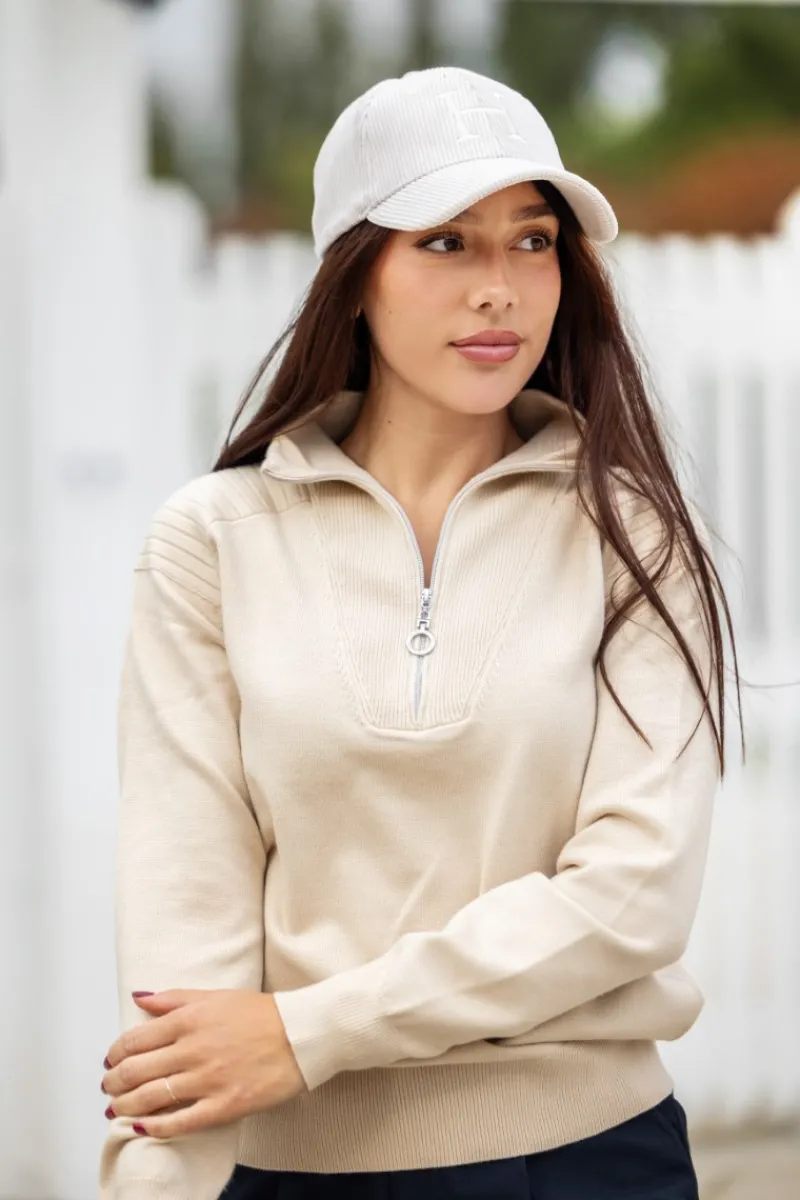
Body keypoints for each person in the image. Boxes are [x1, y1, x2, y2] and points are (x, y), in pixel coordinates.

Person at [98, 66, 743, 1200]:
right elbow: (184, 934)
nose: (500, 289)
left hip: (588, 1161)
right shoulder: (214, 541)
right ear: (354, 275)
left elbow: (632, 897)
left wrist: (309, 1031)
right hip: (295, 1172)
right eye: (445, 242)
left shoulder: (630, 536)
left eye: (532, 241)